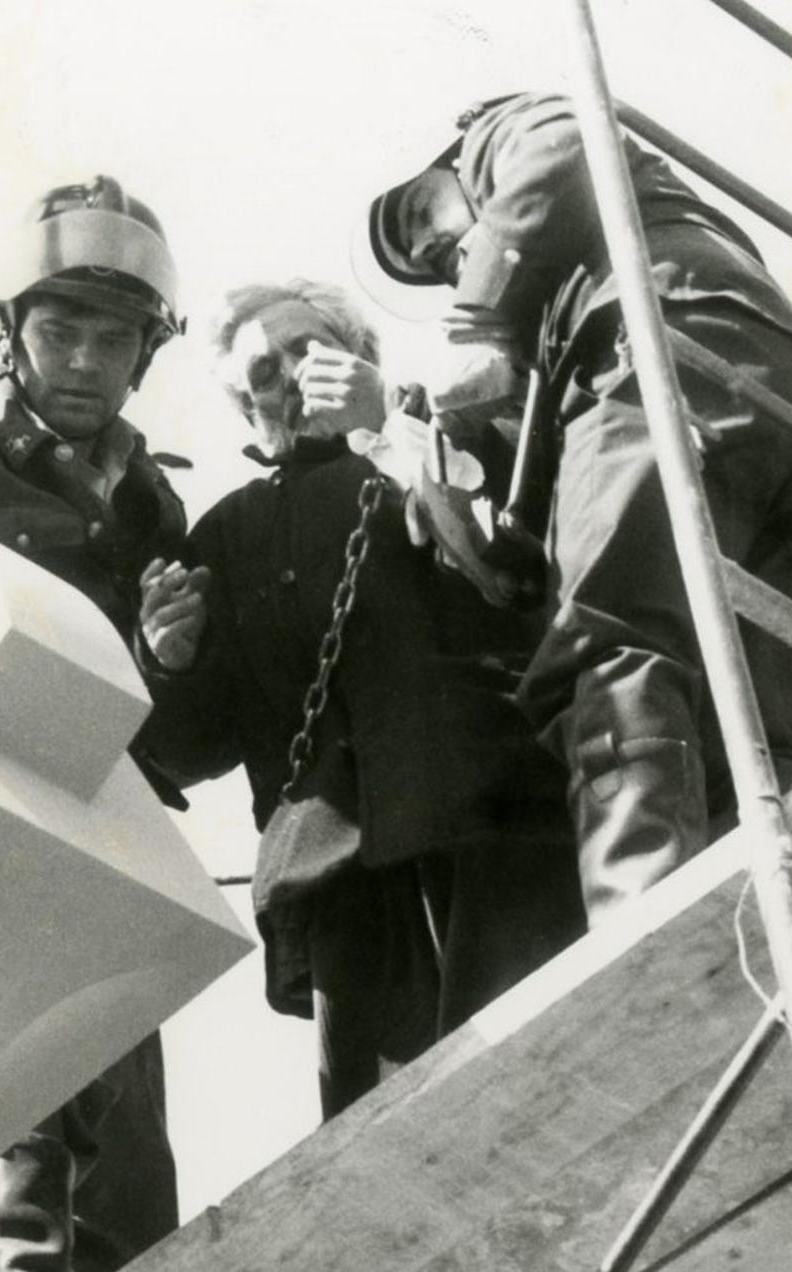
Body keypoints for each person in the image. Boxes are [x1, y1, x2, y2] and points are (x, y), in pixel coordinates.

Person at [363, 92, 792, 927]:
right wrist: (448, 497)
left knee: (610, 648)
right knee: (756, 706)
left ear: (448, 160)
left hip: (670, 354)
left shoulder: (500, 137)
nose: (440, 248)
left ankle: (647, 927)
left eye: (424, 213)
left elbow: (567, 143)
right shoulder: (549, 327)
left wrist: (477, 318)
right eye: (433, 263)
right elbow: (526, 546)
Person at [137, 279, 586, 1119]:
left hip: (489, 826)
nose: (294, 377)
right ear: (247, 410)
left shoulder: (443, 436)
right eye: (265, 373)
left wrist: (390, 421)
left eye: (311, 349)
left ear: (361, 358)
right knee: (391, 1138)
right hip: (338, 876)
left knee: (546, 1090)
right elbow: (192, 750)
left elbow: (517, 560)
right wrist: (170, 660)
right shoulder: (224, 535)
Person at [0, 175, 185, 1272]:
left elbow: (157, 718)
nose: (86, 360)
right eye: (61, 329)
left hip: (110, 826)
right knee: (25, 1130)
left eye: (114, 338)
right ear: (11, 331)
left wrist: (163, 659)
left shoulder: (151, 506)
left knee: (128, 1154)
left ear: (146, 353)